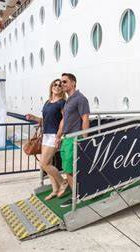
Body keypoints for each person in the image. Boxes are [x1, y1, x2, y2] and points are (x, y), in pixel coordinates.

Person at [26, 79, 68, 200]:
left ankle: (63, 182)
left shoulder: (62, 103)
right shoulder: (47, 102)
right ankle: (54, 189)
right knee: (47, 164)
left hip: (54, 135)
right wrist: (33, 117)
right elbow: (45, 120)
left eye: (60, 85)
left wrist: (59, 136)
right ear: (51, 87)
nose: (57, 86)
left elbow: (64, 120)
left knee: (43, 163)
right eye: (55, 84)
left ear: (62, 89)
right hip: (46, 135)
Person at [55, 73, 90, 207]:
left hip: (75, 138)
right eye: (61, 82)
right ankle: (77, 194)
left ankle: (78, 196)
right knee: (67, 169)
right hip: (66, 138)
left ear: (73, 83)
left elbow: (85, 118)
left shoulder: (80, 99)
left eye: (64, 82)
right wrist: (58, 136)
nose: (62, 84)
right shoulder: (69, 100)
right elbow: (64, 120)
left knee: (70, 169)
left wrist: (85, 139)